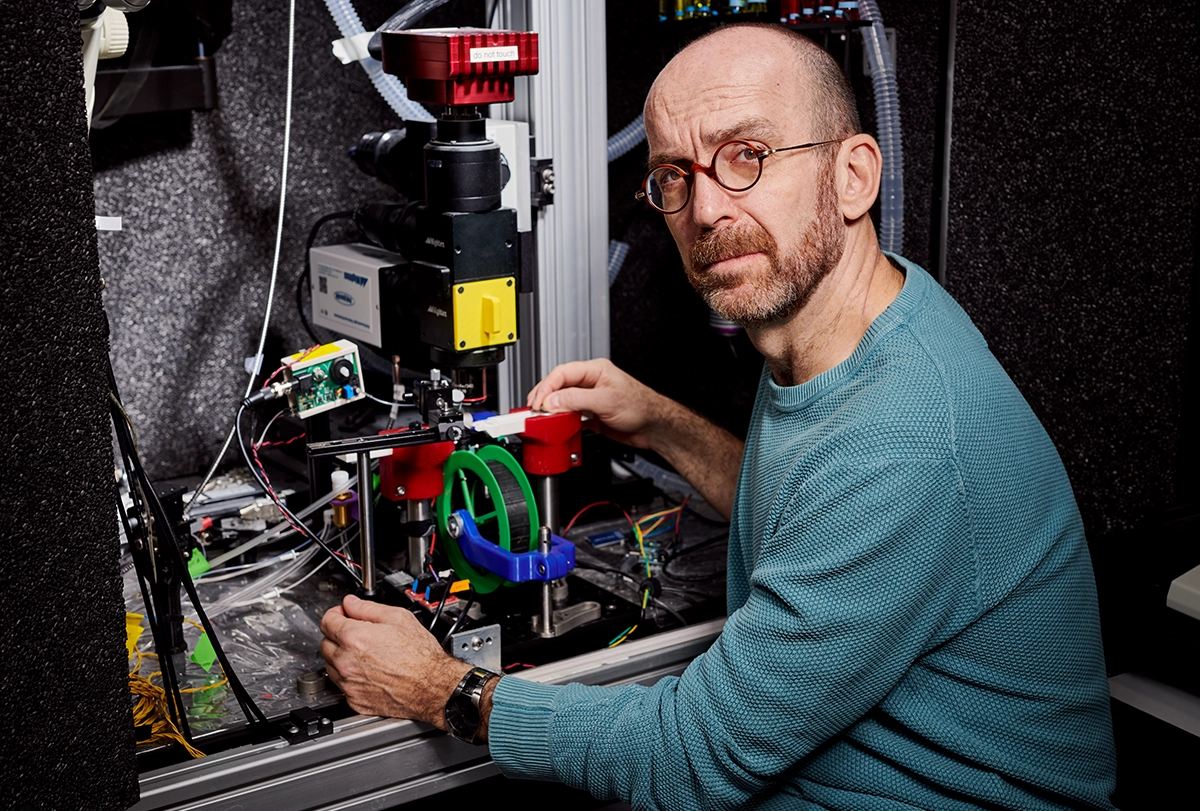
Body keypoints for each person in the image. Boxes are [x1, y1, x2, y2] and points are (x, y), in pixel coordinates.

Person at [321, 23, 1118, 809]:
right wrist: (659, 420)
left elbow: (695, 758)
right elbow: (813, 515)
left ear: (855, 176)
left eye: (747, 156)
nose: (705, 209)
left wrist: (439, 689)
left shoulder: (907, 438)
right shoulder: (856, 325)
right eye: (674, 174)